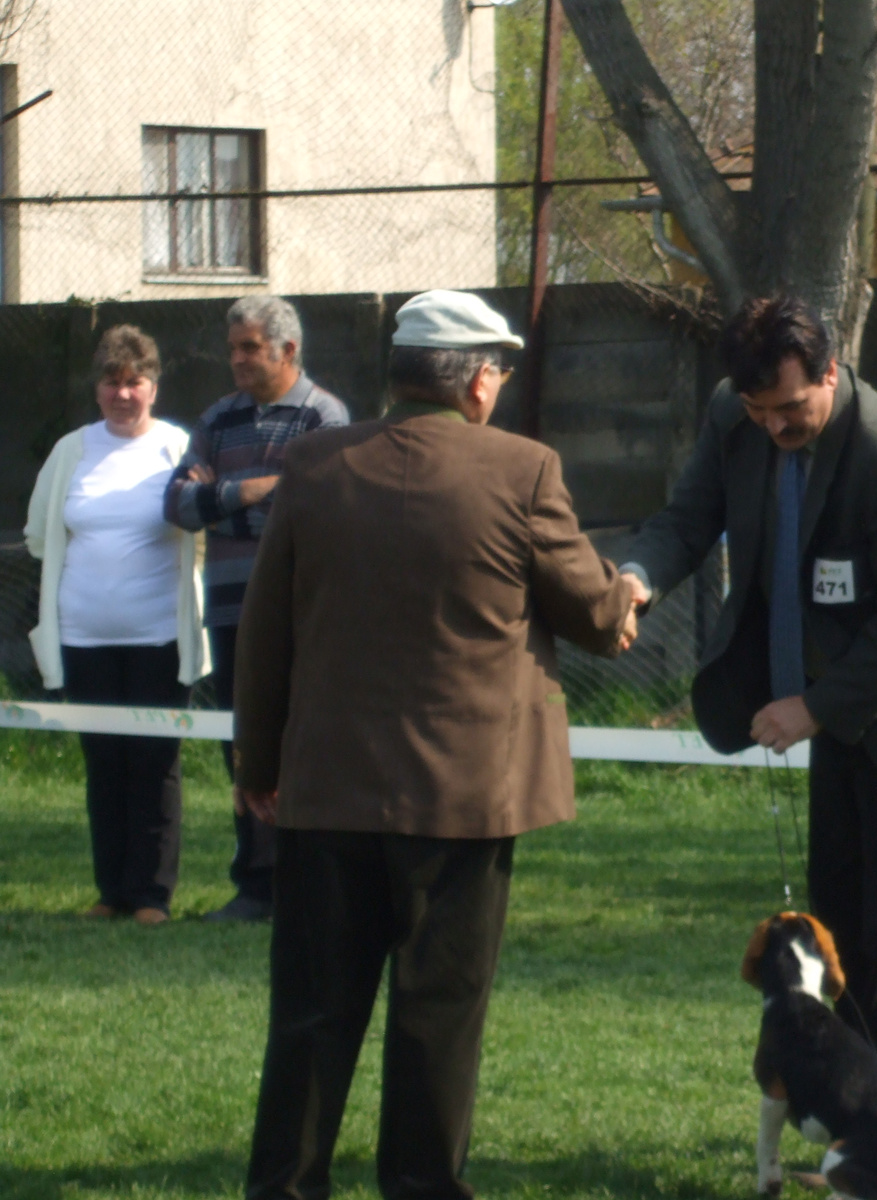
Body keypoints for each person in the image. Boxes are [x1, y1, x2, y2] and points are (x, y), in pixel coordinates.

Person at [232, 290, 639, 1199]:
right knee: (437, 1018)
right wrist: (628, 600)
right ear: (482, 380)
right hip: (462, 803)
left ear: (403, 375)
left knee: (309, 1018)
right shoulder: (524, 470)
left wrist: (259, 769)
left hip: (325, 794)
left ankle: (284, 1188)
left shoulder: (312, 464)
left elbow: (264, 638)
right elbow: (591, 608)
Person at [619, 295, 877, 1151]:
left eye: (791, 408)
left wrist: (811, 708)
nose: (772, 427)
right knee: (843, 927)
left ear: (831, 371)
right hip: (837, 711)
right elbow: (689, 519)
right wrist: (639, 575)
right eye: (758, 411)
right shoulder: (739, 417)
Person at [164, 295, 349, 923]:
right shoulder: (218, 417)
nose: (236, 359)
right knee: (242, 748)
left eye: (249, 347)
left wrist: (221, 500)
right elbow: (178, 506)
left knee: (300, 747)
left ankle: (304, 884)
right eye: (233, 347)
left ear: (287, 350)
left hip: (298, 614)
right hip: (228, 612)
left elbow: (313, 509)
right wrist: (255, 491)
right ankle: (254, 885)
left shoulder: (324, 417)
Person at [24, 326, 209, 926]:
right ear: (97, 388)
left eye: (135, 382)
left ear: (153, 386)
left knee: (154, 763)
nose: (123, 394)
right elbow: (38, 534)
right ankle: (112, 892)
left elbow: (201, 527)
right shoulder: (71, 450)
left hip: (160, 636)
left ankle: (152, 895)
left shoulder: (179, 446)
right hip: (83, 637)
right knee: (103, 762)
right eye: (112, 382)